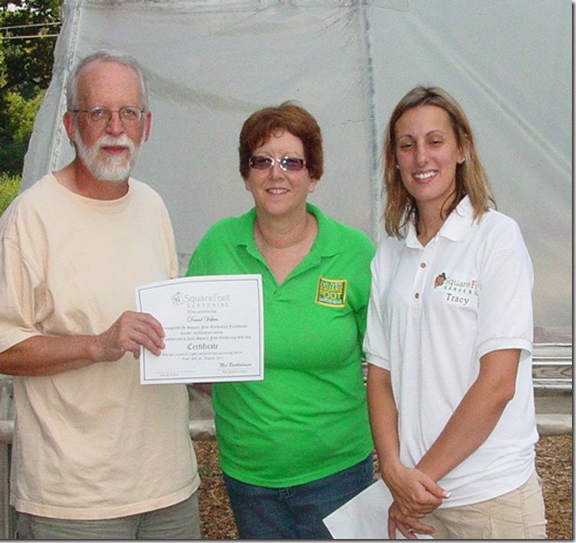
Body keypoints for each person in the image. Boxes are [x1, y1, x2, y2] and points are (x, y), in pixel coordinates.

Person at [0, 51, 201, 540]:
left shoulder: (152, 205)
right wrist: (96, 345)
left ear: (147, 125)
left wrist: (209, 357)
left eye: (129, 113)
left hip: (168, 485)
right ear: (71, 124)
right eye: (98, 113)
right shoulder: (31, 217)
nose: (115, 127)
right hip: (74, 500)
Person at [186, 101, 376, 539]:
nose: (277, 173)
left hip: (339, 474)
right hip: (249, 477)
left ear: (313, 176)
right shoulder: (218, 246)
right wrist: (194, 364)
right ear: (246, 174)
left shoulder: (354, 254)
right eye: (262, 161)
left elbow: (389, 365)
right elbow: (193, 352)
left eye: (292, 162)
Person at [364, 85, 547, 539]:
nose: (421, 157)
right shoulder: (389, 255)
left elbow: (498, 385)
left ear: (461, 148)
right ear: (395, 160)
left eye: (435, 141)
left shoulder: (496, 238)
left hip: (491, 500)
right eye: (407, 146)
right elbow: (380, 377)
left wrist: (415, 482)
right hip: (414, 503)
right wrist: (392, 470)